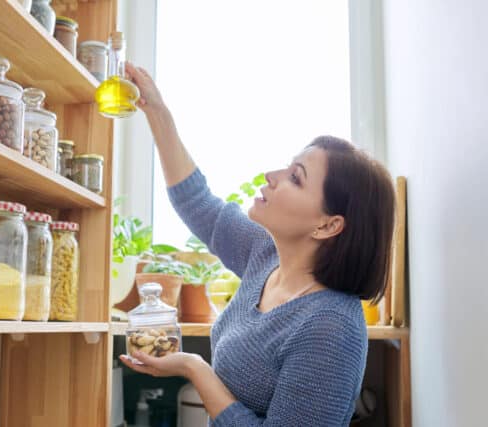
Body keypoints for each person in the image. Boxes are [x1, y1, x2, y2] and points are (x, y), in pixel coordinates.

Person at [118, 63, 396, 426]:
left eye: (295, 178)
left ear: (328, 225)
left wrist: (194, 368)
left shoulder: (331, 328)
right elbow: (197, 202)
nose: (272, 177)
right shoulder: (264, 255)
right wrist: (156, 109)